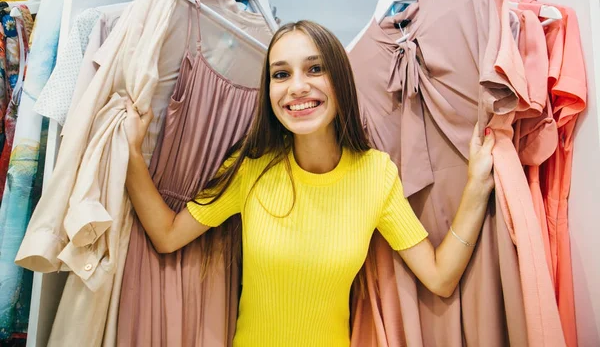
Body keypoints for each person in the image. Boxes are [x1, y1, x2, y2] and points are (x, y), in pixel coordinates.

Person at [124, 20, 495, 347]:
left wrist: (477, 186)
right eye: (281, 75)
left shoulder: (375, 174)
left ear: (339, 79)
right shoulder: (250, 169)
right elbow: (168, 235)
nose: (297, 87)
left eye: (314, 69)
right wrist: (132, 155)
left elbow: (439, 277)